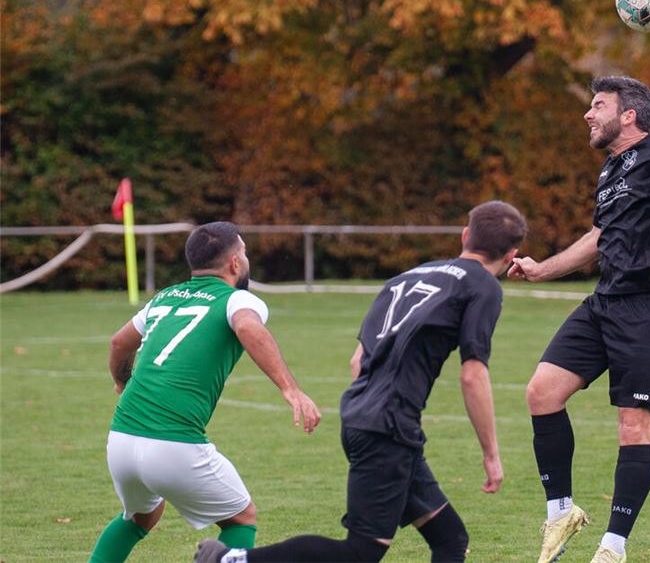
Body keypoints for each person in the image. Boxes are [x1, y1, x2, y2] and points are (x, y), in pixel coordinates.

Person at [196, 201, 527, 563]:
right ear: (511, 255)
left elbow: (358, 360)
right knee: (361, 551)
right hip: (388, 428)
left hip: (365, 417)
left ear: (465, 236)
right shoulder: (483, 287)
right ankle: (231, 560)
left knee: (450, 538)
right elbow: (473, 374)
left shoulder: (407, 276)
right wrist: (491, 455)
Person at [509, 76, 650, 563]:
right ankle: (561, 512)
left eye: (598, 105)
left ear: (628, 115)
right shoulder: (609, 170)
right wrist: (543, 269)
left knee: (633, 428)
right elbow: (598, 237)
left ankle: (613, 546)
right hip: (605, 301)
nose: (588, 114)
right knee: (541, 393)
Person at [88, 222, 322, 563]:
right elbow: (247, 326)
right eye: (244, 252)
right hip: (174, 443)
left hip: (121, 439)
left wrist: (122, 381)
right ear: (234, 263)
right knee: (241, 518)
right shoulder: (238, 299)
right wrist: (291, 389)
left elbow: (118, 343)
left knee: (139, 517)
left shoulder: (164, 297)